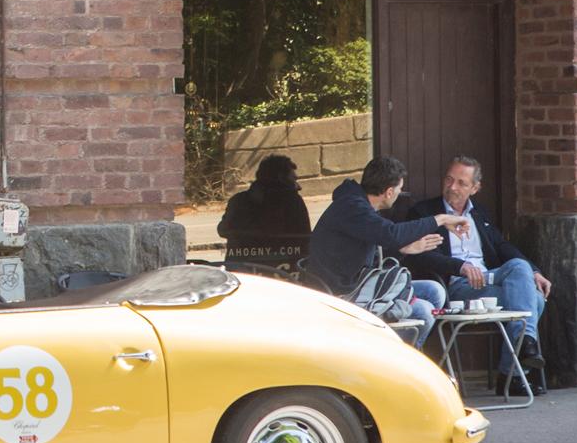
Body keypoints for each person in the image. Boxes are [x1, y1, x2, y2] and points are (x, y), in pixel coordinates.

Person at [403, 156, 551, 395]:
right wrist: (459, 267)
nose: (453, 187)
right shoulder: (425, 212)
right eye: (449, 179)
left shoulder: (479, 213)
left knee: (519, 267)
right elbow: (421, 256)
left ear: (475, 188)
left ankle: (523, 348)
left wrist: (534, 271)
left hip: (489, 280)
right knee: (533, 300)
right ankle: (512, 373)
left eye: (461, 183)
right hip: (458, 286)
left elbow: (502, 246)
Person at [308, 156, 466, 348]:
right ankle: (398, 365)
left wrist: (403, 248)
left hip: (360, 285)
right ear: (389, 192)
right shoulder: (352, 207)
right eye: (400, 190)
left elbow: (382, 246)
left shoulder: (356, 205)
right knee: (423, 310)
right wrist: (440, 219)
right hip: (342, 294)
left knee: (434, 290)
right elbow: (391, 233)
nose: (400, 194)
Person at [218, 154, 312, 245]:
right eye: (293, 179)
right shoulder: (293, 202)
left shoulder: (238, 201)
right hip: (283, 259)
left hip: (242, 258)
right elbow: (304, 238)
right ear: (282, 178)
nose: (298, 187)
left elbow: (223, 230)